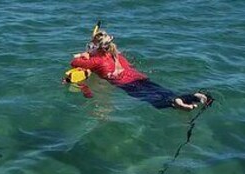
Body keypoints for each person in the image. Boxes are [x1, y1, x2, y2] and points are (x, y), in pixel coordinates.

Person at [70, 27, 210, 111]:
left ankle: (176, 104)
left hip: (127, 85)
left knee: (155, 101)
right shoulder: (117, 54)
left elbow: (74, 62)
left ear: (97, 48)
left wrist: (85, 54)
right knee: (164, 92)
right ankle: (194, 97)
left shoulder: (95, 61)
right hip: (139, 77)